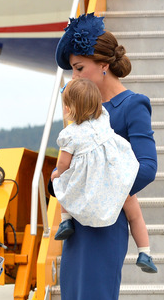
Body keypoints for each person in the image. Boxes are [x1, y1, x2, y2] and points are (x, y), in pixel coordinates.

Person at [54, 12, 158, 300]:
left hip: (108, 224)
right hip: (79, 228)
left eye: (79, 68)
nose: (75, 77)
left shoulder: (133, 105)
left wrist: (107, 192)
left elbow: (147, 167)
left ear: (102, 65)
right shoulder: (81, 111)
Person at [51, 79, 150, 277]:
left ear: (68, 109)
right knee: (135, 215)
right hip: (117, 177)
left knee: (62, 183)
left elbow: (63, 164)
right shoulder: (104, 118)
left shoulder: (69, 134)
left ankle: (66, 220)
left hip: (92, 185)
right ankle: (145, 252)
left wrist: (56, 174)